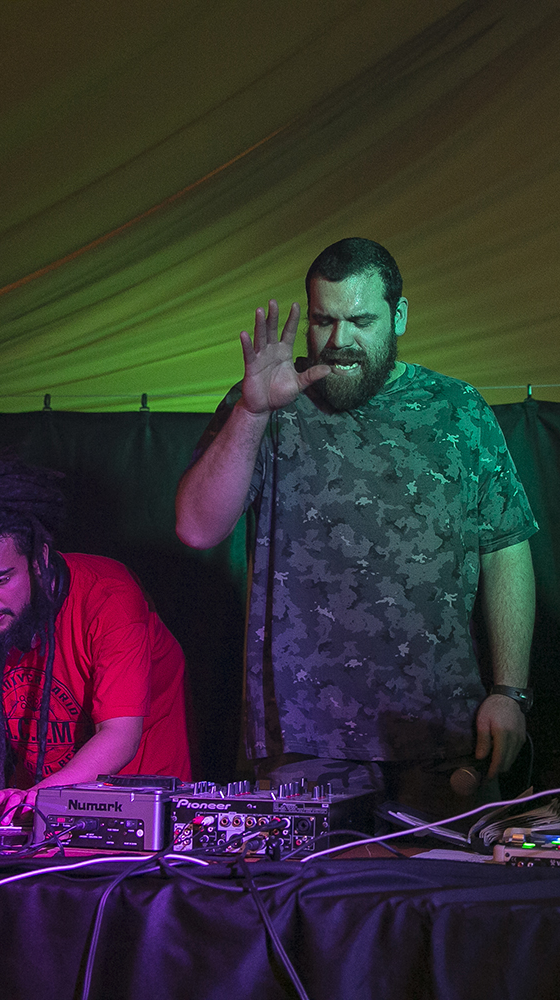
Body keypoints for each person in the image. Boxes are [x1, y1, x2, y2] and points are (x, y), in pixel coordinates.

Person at [175, 237, 538, 816]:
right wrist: (252, 411)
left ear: (399, 316)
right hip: (302, 740)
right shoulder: (269, 403)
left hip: (440, 734)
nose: (340, 341)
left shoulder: (457, 408)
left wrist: (508, 691)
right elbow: (196, 528)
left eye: (361, 321)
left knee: (446, 902)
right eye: (324, 321)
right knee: (305, 903)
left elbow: (506, 550)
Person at [0, 454, 191, 819]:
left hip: (142, 807)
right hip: (39, 804)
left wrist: (36, 795)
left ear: (40, 560)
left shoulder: (110, 597)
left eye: (0, 579)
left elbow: (120, 735)